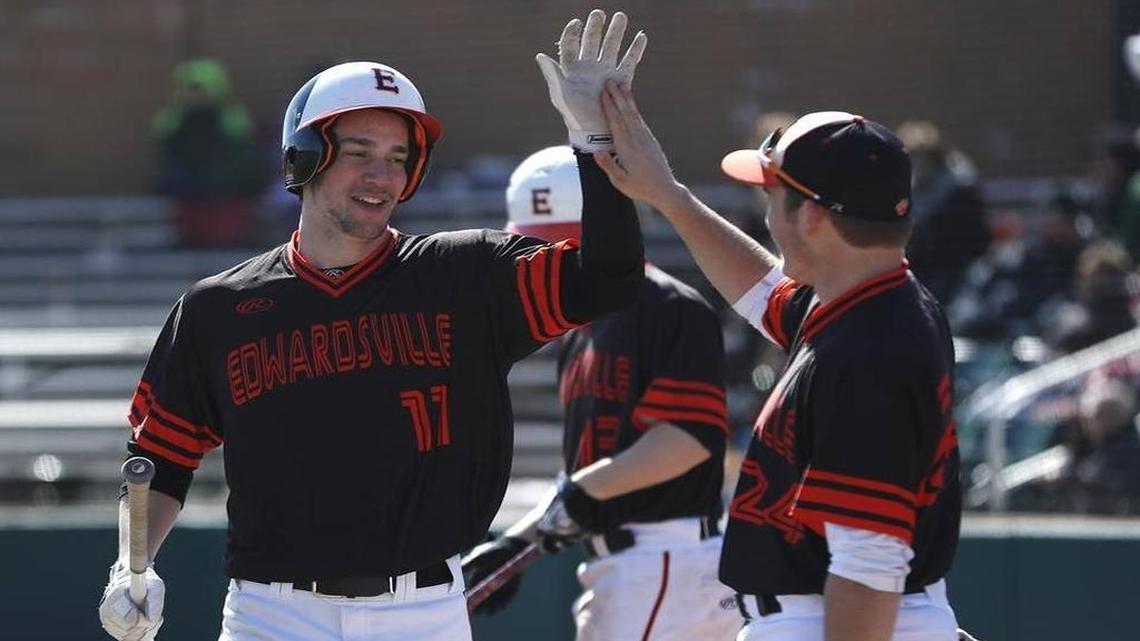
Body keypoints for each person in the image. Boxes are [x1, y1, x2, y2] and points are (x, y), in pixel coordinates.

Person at [97, 14, 648, 640]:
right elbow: (159, 458)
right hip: (271, 615)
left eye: (397, 157)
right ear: (305, 157)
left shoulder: (465, 275)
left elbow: (610, 276)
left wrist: (594, 139)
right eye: (358, 153)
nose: (381, 175)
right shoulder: (217, 308)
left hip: (423, 611)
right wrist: (131, 563)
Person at [591, 79, 963, 641]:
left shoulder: (870, 351)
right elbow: (764, 293)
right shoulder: (876, 300)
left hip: (835, 620)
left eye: (772, 196)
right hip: (861, 614)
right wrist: (668, 195)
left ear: (811, 216)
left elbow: (866, 570)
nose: (765, 213)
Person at [461, 145, 741, 641]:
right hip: (625, 565)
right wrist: (517, 543)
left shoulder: (669, 305)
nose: (548, 260)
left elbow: (686, 439)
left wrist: (579, 495)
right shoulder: (577, 328)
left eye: (562, 245)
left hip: (666, 558)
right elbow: (587, 471)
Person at [152, 58, 265, 247]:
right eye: (190, 89)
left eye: (200, 89)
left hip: (225, 194)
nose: (195, 95)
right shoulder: (173, 119)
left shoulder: (232, 118)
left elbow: (244, 160)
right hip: (188, 192)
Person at [896, 120, 990, 304]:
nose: (918, 165)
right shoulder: (913, 189)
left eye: (923, 158)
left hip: (958, 268)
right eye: (913, 158)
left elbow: (973, 238)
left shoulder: (959, 188)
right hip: (924, 267)